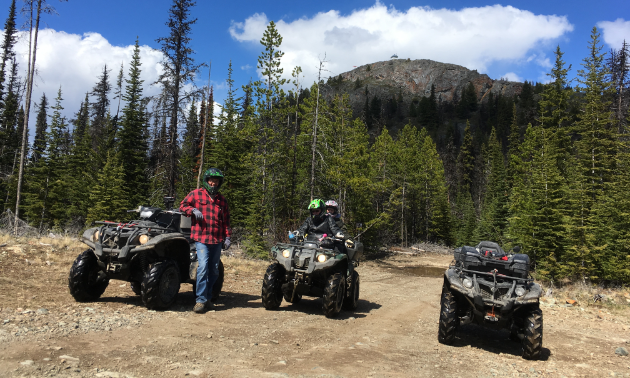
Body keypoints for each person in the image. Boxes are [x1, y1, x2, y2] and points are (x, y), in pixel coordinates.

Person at [180, 168, 231, 313]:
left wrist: (227, 237)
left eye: (216, 181)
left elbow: (226, 221)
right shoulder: (196, 194)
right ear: (206, 181)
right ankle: (200, 301)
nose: (213, 183)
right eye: (211, 180)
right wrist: (193, 211)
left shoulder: (222, 200)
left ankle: (208, 298)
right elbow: (183, 206)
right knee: (202, 267)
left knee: (213, 270)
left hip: (216, 240)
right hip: (201, 238)